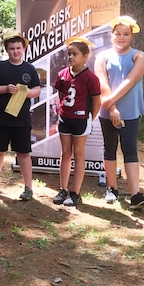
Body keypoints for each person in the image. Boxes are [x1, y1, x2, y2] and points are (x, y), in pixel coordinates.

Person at [94, 16, 144, 209]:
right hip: (107, 113)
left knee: (129, 149)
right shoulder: (102, 56)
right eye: (117, 34)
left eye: (126, 34)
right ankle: (112, 189)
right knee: (109, 148)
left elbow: (130, 81)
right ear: (111, 35)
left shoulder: (140, 56)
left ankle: (135, 194)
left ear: (132, 36)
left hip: (131, 112)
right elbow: (102, 82)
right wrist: (111, 108)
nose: (121, 37)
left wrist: (110, 101)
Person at [0, 31, 42, 201]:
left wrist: (26, 94)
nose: (15, 51)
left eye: (18, 48)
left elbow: (37, 89)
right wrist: (5, 89)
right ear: (6, 49)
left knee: (24, 153)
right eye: (12, 48)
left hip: (22, 120)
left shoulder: (29, 68)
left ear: (24, 48)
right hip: (1, 119)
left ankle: (28, 187)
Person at [52, 37, 102, 208]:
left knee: (78, 154)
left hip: (81, 120)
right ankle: (63, 189)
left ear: (86, 56)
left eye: (75, 54)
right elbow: (61, 95)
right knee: (65, 153)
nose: (71, 57)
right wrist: (63, 111)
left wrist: (89, 118)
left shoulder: (91, 77)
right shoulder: (62, 74)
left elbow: (97, 102)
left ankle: (76, 193)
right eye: (69, 54)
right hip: (65, 118)